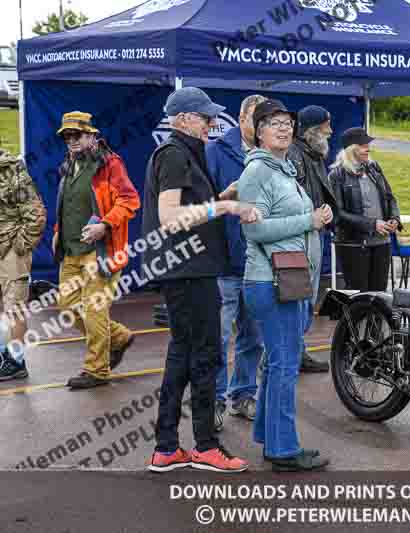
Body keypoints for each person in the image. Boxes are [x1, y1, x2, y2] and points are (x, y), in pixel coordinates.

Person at [143, 87, 259, 473]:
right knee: (206, 356)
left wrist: (222, 193)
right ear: (182, 120)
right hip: (189, 272)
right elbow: (170, 217)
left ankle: (166, 447)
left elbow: (191, 207)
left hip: (187, 271)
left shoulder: (182, 154)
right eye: (205, 116)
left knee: (182, 356)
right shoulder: (175, 155)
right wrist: (225, 205)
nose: (212, 123)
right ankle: (206, 446)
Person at [239, 99, 332, 472]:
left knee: (277, 362)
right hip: (271, 281)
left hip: (288, 279)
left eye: (287, 123)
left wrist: (315, 219)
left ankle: (268, 435)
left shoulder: (283, 170)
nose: (283, 128)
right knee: (284, 364)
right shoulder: (258, 172)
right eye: (274, 123)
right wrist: (308, 221)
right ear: (258, 131)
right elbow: (254, 228)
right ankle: (282, 449)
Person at [53, 112, 140, 389]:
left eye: (76, 135)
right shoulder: (68, 164)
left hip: (101, 251)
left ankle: (96, 369)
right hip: (71, 250)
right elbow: (68, 205)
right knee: (67, 306)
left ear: (92, 135)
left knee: (93, 309)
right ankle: (119, 337)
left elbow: (129, 200)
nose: (71, 140)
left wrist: (104, 224)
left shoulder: (109, 164)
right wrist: (57, 232)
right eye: (67, 136)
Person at [206, 94, 267, 430]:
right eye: (257, 120)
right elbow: (199, 205)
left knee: (253, 335)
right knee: (220, 337)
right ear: (243, 117)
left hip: (257, 262)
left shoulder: (269, 157)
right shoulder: (215, 152)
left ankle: (243, 394)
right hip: (224, 262)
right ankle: (214, 400)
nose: (261, 128)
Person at [287, 105, 336, 373]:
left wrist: (329, 210)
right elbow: (295, 196)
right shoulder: (295, 154)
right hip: (301, 236)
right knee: (299, 298)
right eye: (327, 125)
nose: (330, 130)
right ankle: (287, 355)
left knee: (307, 299)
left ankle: (297, 351)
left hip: (314, 233)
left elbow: (317, 194)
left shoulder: (314, 154)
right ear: (313, 129)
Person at [330, 127, 401, 292]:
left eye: (368, 144)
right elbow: (338, 214)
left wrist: (394, 219)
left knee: (379, 295)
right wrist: (371, 224)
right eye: (363, 145)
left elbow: (390, 197)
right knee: (360, 296)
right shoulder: (337, 175)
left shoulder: (374, 168)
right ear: (351, 148)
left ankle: (376, 320)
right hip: (354, 245)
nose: (368, 148)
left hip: (382, 243)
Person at [0, 148, 46, 381]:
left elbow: (36, 214)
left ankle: (17, 362)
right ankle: (3, 358)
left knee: (14, 308)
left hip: (11, 251)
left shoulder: (11, 171)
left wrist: (20, 247)